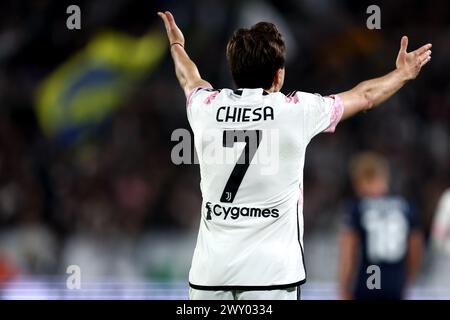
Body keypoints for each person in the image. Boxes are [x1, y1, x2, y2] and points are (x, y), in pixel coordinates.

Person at [157, 10, 431, 300]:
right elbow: (365, 96)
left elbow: (189, 78)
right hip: (272, 280)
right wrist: (402, 73)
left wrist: (177, 45)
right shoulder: (297, 110)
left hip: (208, 279)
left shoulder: (206, 106)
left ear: (234, 72)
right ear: (278, 75)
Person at [338, 152, 423, 300]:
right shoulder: (406, 207)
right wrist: (407, 280)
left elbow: (348, 252)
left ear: (361, 179)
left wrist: (343, 287)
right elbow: (416, 248)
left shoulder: (358, 207)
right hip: (396, 284)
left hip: (368, 281)